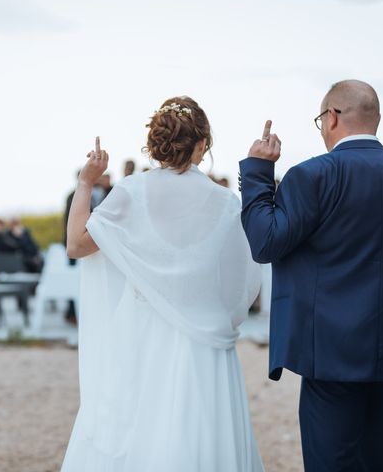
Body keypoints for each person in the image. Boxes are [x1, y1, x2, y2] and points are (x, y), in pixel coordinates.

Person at [239, 80, 383, 471]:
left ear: (331, 117)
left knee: (329, 463)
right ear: (376, 120)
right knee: (380, 461)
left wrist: (257, 171)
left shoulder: (310, 176)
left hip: (331, 352)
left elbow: (265, 243)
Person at [62, 97, 264, 471]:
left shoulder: (130, 193)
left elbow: (75, 244)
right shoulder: (226, 203)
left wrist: (86, 182)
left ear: (157, 142)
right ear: (203, 144)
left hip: (140, 333)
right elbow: (244, 281)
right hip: (204, 338)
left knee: (137, 427)